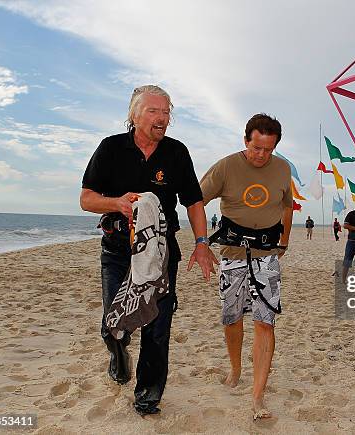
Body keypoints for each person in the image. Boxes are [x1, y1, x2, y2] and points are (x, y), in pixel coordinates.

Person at [80, 85, 217, 415]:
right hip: (117, 251)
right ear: (134, 115)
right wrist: (116, 202)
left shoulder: (176, 152)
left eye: (167, 112)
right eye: (154, 111)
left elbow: (194, 202)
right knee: (114, 325)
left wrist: (201, 243)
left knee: (157, 328)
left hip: (160, 253)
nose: (162, 118)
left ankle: (147, 397)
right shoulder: (111, 148)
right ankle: (118, 352)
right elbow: (86, 199)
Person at [200, 113, 293, 420]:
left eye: (268, 149)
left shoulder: (281, 169)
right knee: (232, 318)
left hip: (266, 256)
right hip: (232, 255)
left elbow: (288, 205)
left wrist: (285, 241)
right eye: (256, 148)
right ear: (246, 141)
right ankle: (236, 368)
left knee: (266, 322)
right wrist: (201, 241)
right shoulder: (226, 166)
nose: (261, 156)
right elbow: (195, 199)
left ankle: (258, 397)